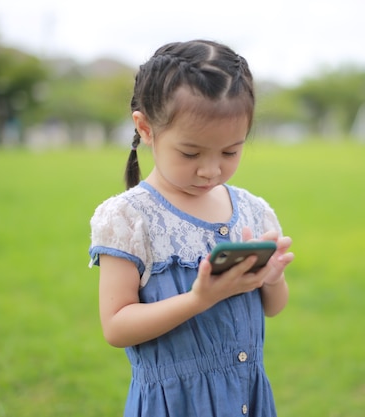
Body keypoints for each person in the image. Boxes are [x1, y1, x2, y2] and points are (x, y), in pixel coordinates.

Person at [88, 39, 294, 417]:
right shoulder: (129, 219)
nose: (211, 170)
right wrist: (200, 299)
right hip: (175, 405)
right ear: (146, 128)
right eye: (191, 153)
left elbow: (274, 308)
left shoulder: (252, 210)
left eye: (230, 152)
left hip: (247, 399)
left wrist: (271, 278)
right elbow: (116, 326)